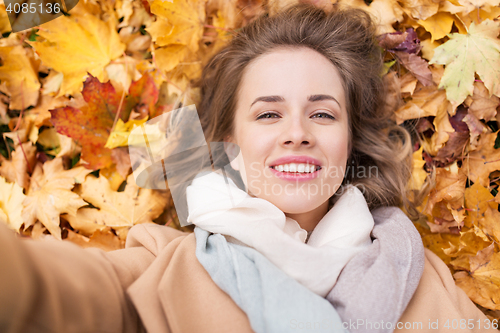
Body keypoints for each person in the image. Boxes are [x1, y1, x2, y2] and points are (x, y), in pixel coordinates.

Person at [0, 3, 493, 333]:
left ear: (350, 142)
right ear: (230, 142)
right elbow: (48, 293)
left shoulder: (419, 275)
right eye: (268, 113)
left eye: (322, 113)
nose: (297, 131)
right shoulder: (159, 264)